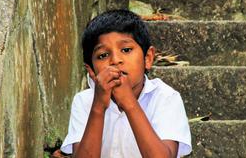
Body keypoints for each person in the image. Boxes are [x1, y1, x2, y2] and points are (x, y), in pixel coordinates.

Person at [60, 9, 192, 158]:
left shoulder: (166, 98)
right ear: (91, 71)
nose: (115, 60)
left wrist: (129, 103)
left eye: (126, 49)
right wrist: (98, 107)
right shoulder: (84, 101)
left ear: (148, 58)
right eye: (103, 55)